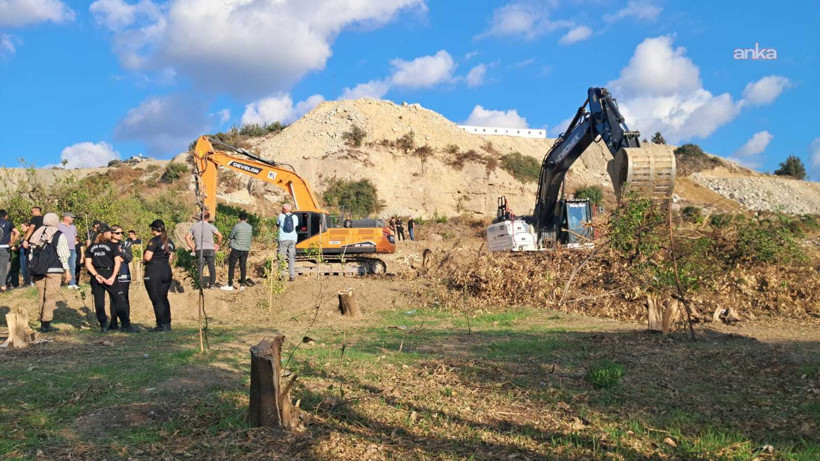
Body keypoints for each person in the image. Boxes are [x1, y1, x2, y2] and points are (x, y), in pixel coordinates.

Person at [29, 213, 71, 332]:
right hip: (54, 269)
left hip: (38, 269)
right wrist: (67, 271)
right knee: (50, 297)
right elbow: (63, 255)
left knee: (41, 296)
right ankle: (46, 324)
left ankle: (42, 320)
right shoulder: (59, 235)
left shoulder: (36, 233)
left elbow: (31, 254)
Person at [86, 225, 127, 333]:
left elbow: (88, 264)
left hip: (96, 275)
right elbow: (117, 262)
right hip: (109, 273)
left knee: (99, 302)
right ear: (104, 233)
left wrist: (96, 275)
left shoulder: (91, 247)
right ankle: (126, 325)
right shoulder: (112, 246)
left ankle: (103, 325)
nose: (111, 234)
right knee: (120, 300)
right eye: (109, 232)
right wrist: (113, 277)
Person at [143, 219, 175, 332]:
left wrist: (143, 261)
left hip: (154, 271)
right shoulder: (169, 241)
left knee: (156, 299)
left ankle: (161, 325)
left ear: (154, 229)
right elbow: (171, 257)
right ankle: (167, 324)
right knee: (163, 298)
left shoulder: (154, 241)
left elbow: (147, 257)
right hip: (166, 270)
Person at [109, 225, 138, 332]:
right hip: (111, 275)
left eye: (122, 233)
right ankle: (113, 323)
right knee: (113, 300)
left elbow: (129, 258)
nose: (120, 235)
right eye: (117, 233)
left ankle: (126, 324)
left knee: (124, 299)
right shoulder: (106, 244)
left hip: (124, 275)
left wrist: (121, 252)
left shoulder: (126, 244)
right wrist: (117, 259)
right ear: (111, 233)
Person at [185, 212, 222, 289]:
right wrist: (217, 245)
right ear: (208, 218)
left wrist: (192, 247)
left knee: (200, 268)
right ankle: (212, 284)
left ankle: (199, 285)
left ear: (200, 217)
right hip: (210, 249)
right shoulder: (211, 226)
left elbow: (187, 237)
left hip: (199, 249)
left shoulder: (194, 226)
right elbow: (220, 235)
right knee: (211, 267)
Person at [223, 211, 252, 291]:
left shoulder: (237, 226)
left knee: (232, 266)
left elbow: (231, 236)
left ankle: (230, 284)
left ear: (239, 219)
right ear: (246, 219)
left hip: (236, 248)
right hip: (245, 249)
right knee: (243, 266)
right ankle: (242, 284)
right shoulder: (250, 227)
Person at [276, 204, 299, 281]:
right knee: (291, 258)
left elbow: (277, 224)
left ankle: (282, 276)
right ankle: (292, 276)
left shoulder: (281, 216)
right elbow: (296, 225)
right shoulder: (295, 217)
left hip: (283, 239)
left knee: (281, 257)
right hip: (293, 239)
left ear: (283, 210)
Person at [0, 209, 20, 293]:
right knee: (3, 268)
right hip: (4, 247)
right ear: (6, 216)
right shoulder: (9, 223)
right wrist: (12, 242)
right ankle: (3, 286)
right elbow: (17, 233)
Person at [57, 212, 79, 289]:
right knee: (60, 266)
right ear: (66, 217)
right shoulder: (58, 226)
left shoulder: (73, 227)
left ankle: (72, 283)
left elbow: (75, 237)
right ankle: (59, 283)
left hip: (72, 249)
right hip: (61, 249)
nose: (73, 219)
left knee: (72, 266)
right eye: (71, 217)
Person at [18, 222, 31, 286]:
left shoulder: (29, 235)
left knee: (26, 267)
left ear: (28, 227)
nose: (21, 228)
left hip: (26, 253)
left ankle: (29, 281)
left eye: (23, 226)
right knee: (23, 268)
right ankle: (25, 281)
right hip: (22, 253)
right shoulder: (24, 235)